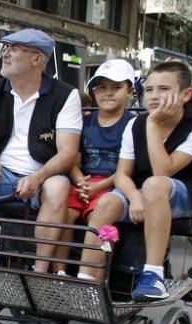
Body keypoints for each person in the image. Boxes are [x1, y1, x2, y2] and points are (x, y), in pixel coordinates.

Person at [77, 61, 192, 301]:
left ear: (185, 94)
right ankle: (86, 279)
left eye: (164, 89)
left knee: (155, 185)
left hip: (181, 192)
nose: (154, 96)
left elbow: (163, 171)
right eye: (150, 89)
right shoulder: (135, 124)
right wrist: (133, 198)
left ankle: (153, 274)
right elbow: (122, 174)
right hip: (142, 190)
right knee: (106, 203)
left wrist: (153, 124)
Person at [0, 28, 82, 274]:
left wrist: (38, 177)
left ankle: (39, 273)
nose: (5, 54)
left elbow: (67, 153)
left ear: (37, 59)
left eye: (14, 48)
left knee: (59, 186)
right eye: (5, 47)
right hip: (0, 176)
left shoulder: (65, 96)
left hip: (42, 180)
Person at [56, 59, 137, 275]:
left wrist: (98, 186)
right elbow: (74, 156)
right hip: (83, 181)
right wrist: (78, 179)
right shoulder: (85, 121)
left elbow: (126, 169)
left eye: (116, 88)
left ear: (130, 91)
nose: (108, 93)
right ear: (93, 91)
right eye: (101, 88)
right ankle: (60, 272)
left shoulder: (132, 124)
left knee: (98, 219)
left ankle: (94, 274)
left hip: (113, 184)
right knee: (64, 211)